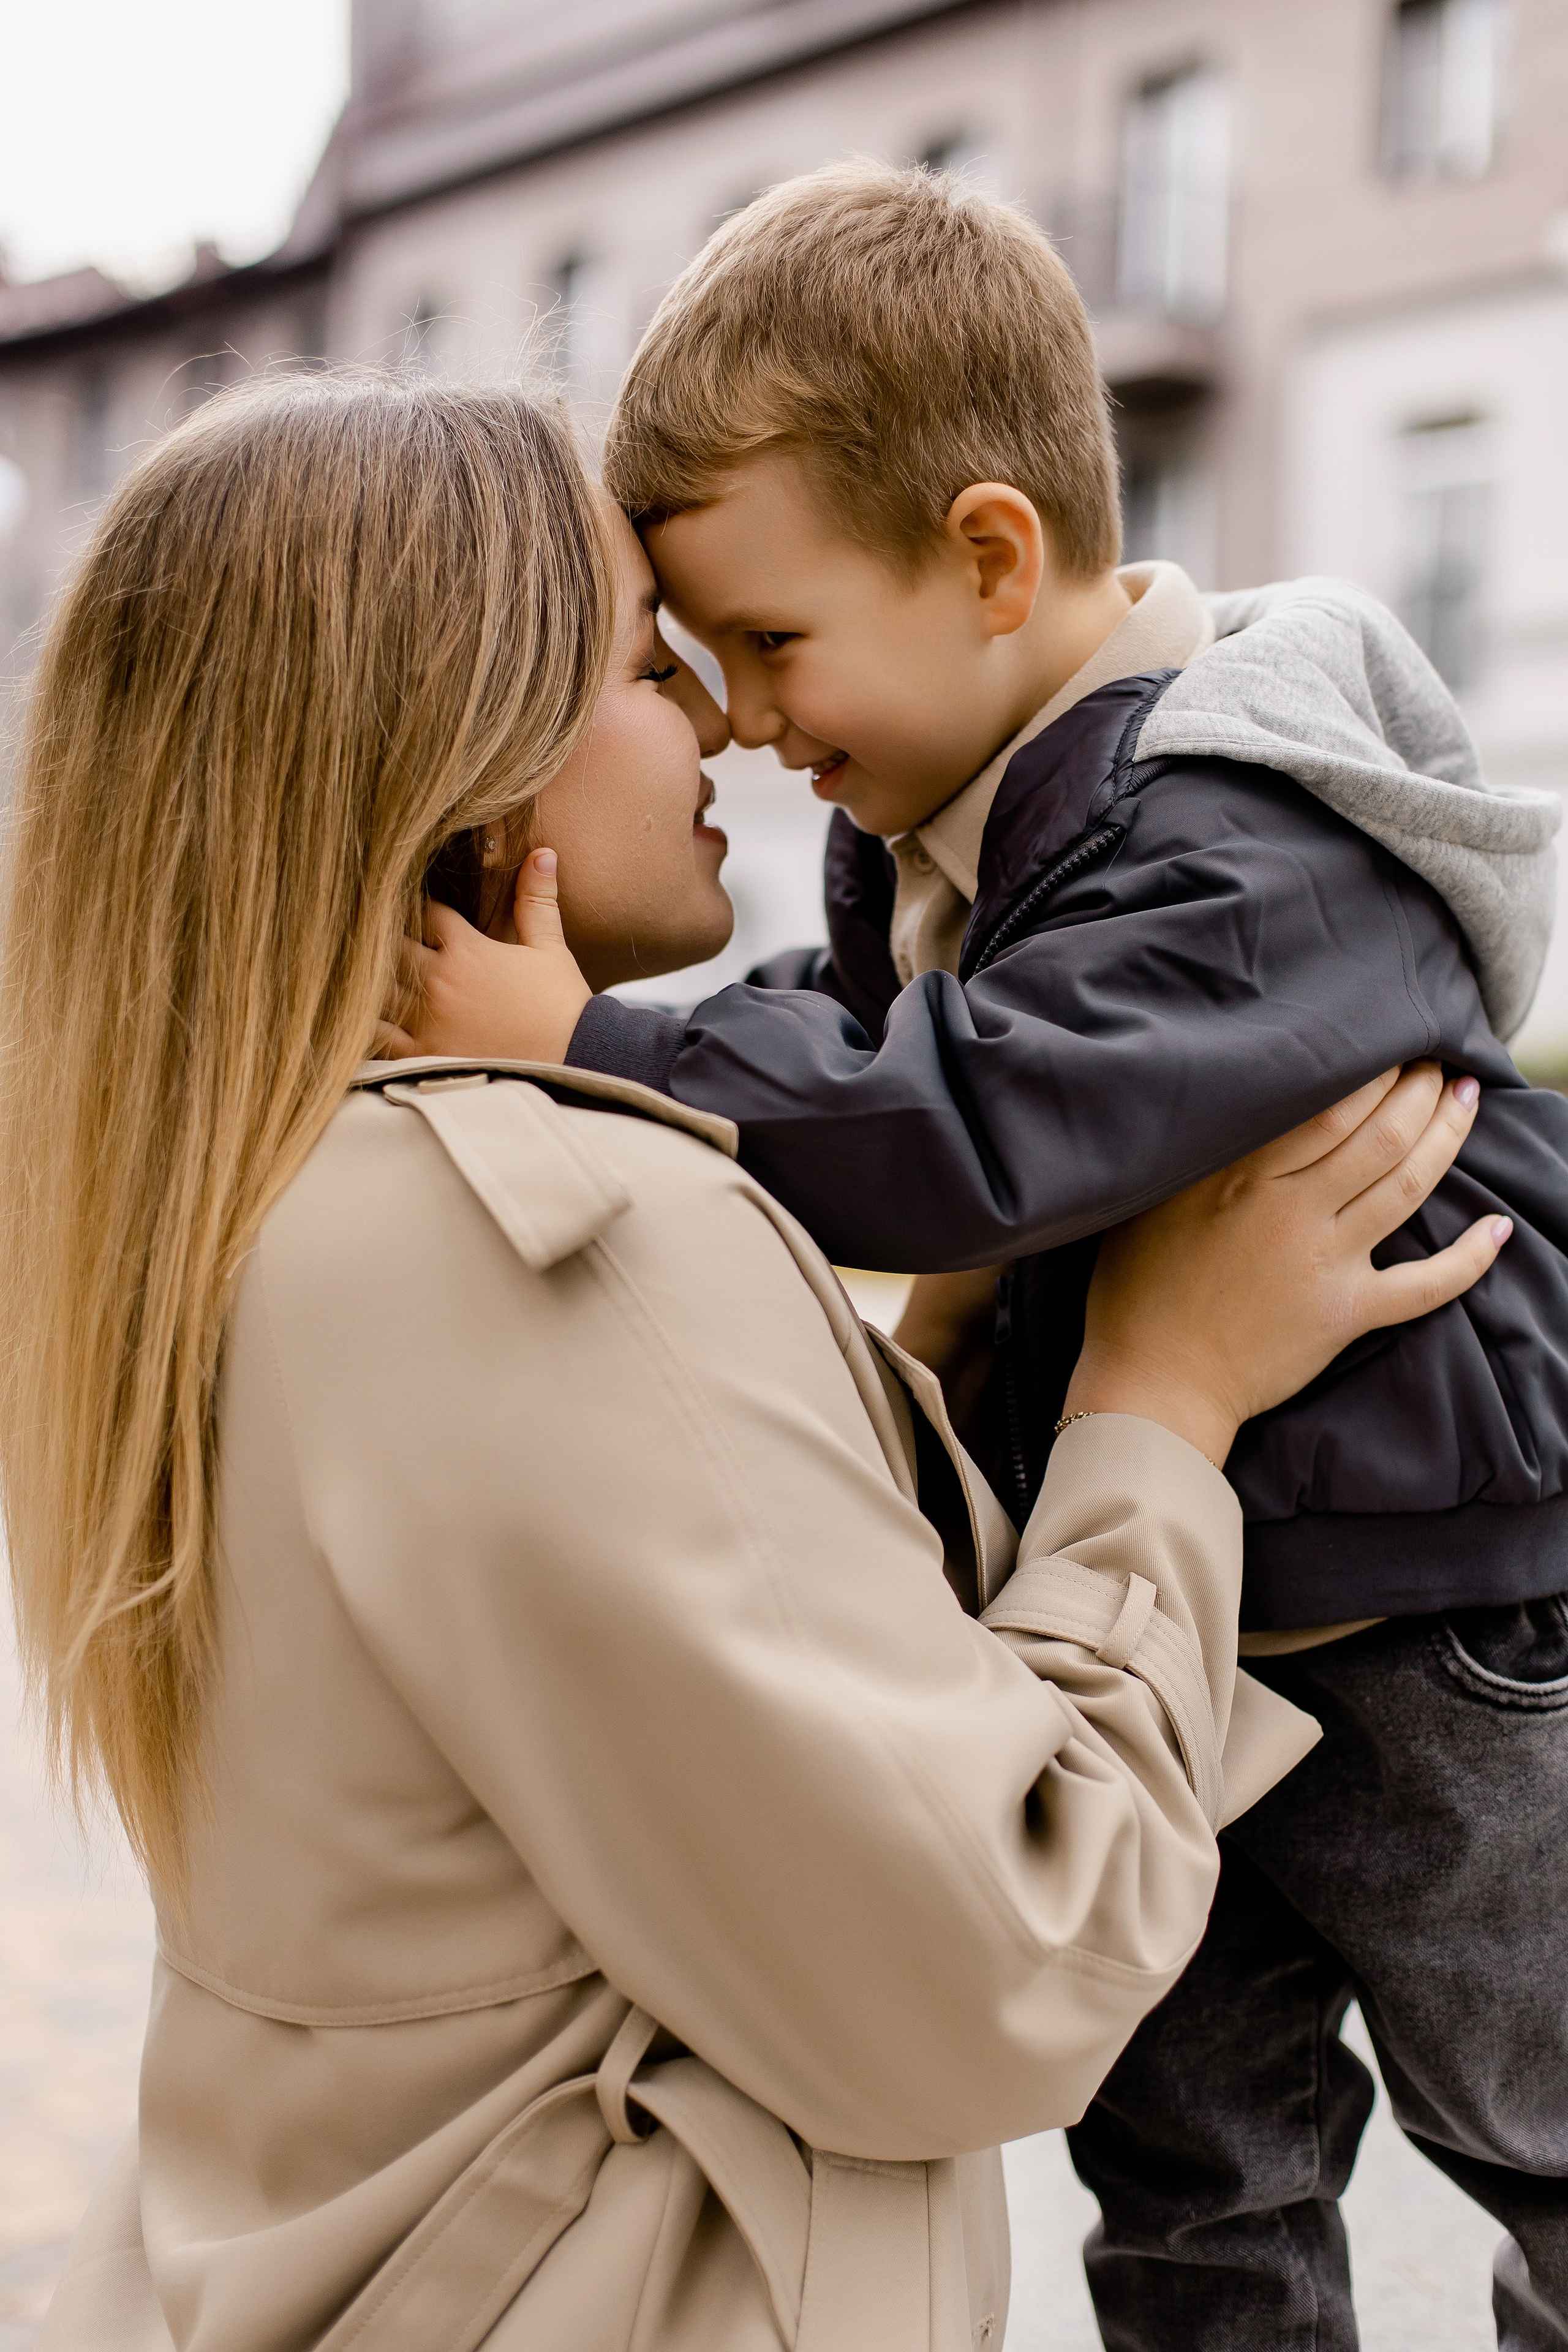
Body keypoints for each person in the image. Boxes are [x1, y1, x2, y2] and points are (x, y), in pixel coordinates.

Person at [0, 372, 1501, 2352]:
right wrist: (1167, 1391)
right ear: (464, 748)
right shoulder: (541, 1240)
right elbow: (996, 1973)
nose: (724, 718)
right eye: (647, 662)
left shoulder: (236, 1182)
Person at [385, 164, 1568, 2346]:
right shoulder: (927, 821)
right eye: (699, 660)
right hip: (1179, 1620)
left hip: (1434, 1597)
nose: (737, 715)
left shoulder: (1247, 817)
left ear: (992, 557)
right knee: (1191, 2188)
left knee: (1543, 2118)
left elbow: (974, 1126)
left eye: (768, 641)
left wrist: (594, 1045)